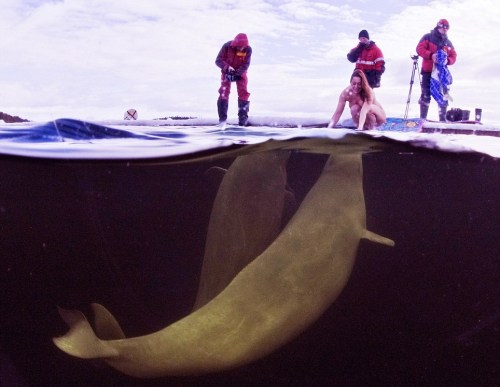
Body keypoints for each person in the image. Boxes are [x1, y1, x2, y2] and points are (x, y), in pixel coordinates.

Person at [416, 19, 457, 121]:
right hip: (428, 71)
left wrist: (447, 60)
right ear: (438, 26)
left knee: (443, 95)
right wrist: (431, 55)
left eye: (447, 27)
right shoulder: (427, 37)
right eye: (443, 26)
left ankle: (442, 120)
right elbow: (419, 49)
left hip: (441, 74)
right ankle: (423, 119)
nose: (444, 29)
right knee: (425, 94)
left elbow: (454, 56)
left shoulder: (448, 43)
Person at [215, 33, 252, 126]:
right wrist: (227, 68)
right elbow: (218, 60)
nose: (241, 49)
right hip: (227, 71)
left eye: (243, 47)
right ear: (235, 44)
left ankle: (243, 119)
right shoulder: (226, 46)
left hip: (241, 71)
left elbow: (246, 64)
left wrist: (238, 72)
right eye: (239, 47)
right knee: (224, 92)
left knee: (243, 92)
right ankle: (222, 119)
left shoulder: (248, 49)